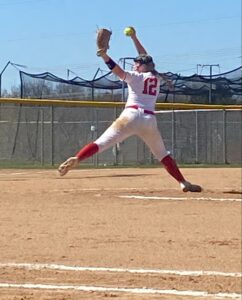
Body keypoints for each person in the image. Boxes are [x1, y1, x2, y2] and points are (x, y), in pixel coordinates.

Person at [58, 27, 202, 192]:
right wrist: (134, 38)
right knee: (163, 154)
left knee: (101, 143)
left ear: (141, 66)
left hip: (131, 116)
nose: (134, 65)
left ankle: (78, 158)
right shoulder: (156, 77)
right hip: (149, 121)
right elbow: (145, 57)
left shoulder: (135, 77)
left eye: (136, 63)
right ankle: (183, 182)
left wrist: (104, 55)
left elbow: (117, 70)